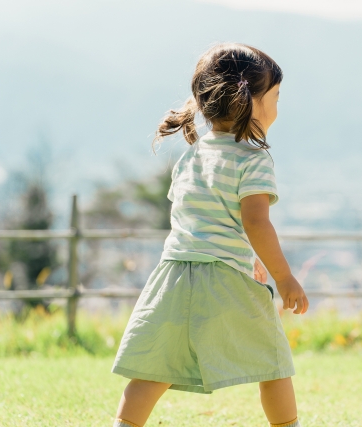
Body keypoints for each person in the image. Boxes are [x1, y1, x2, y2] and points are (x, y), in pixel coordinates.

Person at [111, 42, 309, 427]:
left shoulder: (192, 155)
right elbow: (255, 222)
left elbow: (200, 218)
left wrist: (245, 256)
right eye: (276, 97)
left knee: (155, 367)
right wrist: (284, 278)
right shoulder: (253, 159)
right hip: (221, 279)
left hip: (173, 275)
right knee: (274, 362)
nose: (278, 108)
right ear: (249, 100)